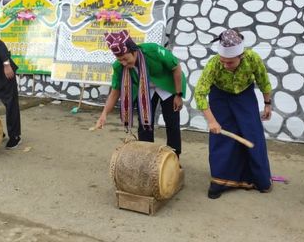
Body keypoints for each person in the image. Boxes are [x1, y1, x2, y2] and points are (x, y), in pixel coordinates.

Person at [194, 29, 273, 199]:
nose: (225, 65)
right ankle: (220, 181)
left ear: (241, 56)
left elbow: (263, 81)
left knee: (252, 134)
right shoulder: (213, 64)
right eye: (223, 61)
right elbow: (199, 93)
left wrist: (267, 104)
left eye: (230, 62)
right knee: (222, 138)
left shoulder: (252, 58)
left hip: (245, 96)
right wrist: (212, 122)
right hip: (220, 97)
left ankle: (257, 179)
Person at [95, 30, 186, 157]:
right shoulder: (119, 66)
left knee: (171, 121)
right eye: (120, 60)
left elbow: (176, 68)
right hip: (145, 89)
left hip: (167, 85)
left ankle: (174, 157)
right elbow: (115, 92)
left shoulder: (153, 51)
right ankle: (146, 156)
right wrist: (103, 114)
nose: (124, 63)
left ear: (134, 51)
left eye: (125, 59)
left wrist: (178, 94)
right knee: (145, 123)